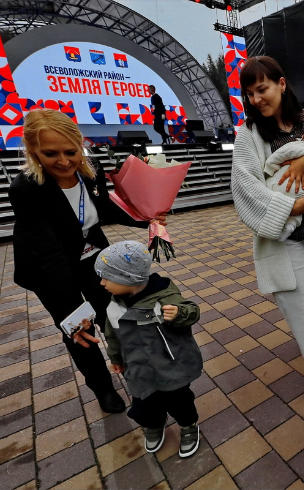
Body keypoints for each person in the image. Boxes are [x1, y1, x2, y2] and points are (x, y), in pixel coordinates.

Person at [9, 109, 155, 414]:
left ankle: (135, 374)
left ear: (80, 145)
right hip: (49, 268)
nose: (64, 161)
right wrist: (72, 314)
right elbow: (49, 254)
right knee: (80, 332)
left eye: (70, 151)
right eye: (51, 154)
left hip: (92, 257)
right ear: (33, 151)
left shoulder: (90, 170)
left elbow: (104, 208)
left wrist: (148, 218)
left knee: (114, 316)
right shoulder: (26, 188)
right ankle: (102, 388)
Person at [230, 56, 304, 389]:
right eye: (250, 93)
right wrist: (288, 207)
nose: (256, 99)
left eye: (262, 89)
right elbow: (244, 185)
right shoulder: (250, 133)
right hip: (286, 238)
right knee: (301, 306)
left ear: (281, 84)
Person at [95, 241, 202, 458]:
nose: (101, 283)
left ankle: (188, 425)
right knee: (144, 405)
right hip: (138, 369)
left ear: (128, 278)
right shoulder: (115, 306)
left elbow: (191, 310)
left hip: (170, 367)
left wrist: (179, 313)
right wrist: (115, 358)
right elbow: (112, 335)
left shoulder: (163, 299)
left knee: (180, 402)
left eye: (107, 277)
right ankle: (154, 423)